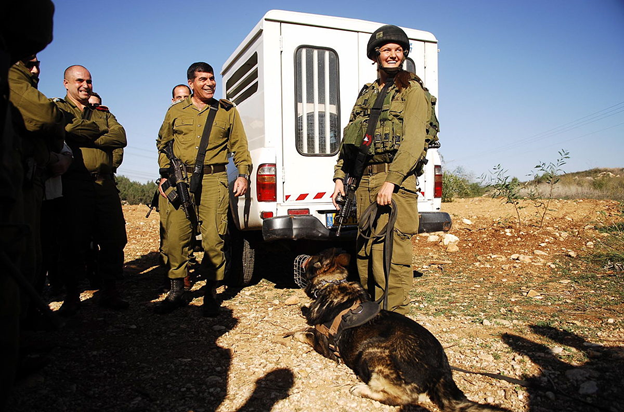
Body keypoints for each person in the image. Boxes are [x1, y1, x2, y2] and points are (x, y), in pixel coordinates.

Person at [332, 25, 431, 315]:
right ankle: (371, 311)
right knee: (364, 251)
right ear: (376, 55)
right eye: (386, 50)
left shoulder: (412, 90)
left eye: (398, 50)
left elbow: (413, 142)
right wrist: (340, 175)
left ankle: (394, 317)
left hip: (394, 180)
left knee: (390, 254)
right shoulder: (367, 94)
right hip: (362, 181)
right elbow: (350, 139)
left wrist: (392, 181)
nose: (393, 55)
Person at [156, 62, 251, 317]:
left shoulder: (227, 111)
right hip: (180, 180)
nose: (209, 83)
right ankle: (177, 291)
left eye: (211, 79)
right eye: (202, 79)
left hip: (214, 180)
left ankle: (211, 292)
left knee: (214, 238)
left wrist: (243, 174)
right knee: (176, 237)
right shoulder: (175, 111)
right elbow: (163, 144)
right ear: (191, 83)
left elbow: (240, 146)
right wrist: (165, 176)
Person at [54, 65, 129, 315]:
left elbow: (120, 136)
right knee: (74, 240)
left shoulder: (102, 113)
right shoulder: (59, 110)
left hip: (104, 184)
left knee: (114, 237)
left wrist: (87, 136)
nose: (85, 85)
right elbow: (63, 133)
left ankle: (109, 291)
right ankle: (73, 296)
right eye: (79, 81)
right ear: (66, 83)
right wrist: (89, 133)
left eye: (89, 81)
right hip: (75, 184)